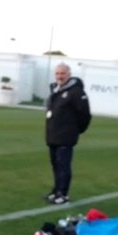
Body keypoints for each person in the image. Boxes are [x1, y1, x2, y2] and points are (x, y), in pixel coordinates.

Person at [43, 63, 92, 205]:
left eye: (62, 73)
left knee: (63, 166)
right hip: (53, 136)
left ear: (69, 74)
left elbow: (85, 115)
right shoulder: (55, 89)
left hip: (66, 136)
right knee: (56, 165)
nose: (60, 76)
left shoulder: (76, 92)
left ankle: (63, 194)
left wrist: (76, 130)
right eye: (57, 73)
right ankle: (56, 190)